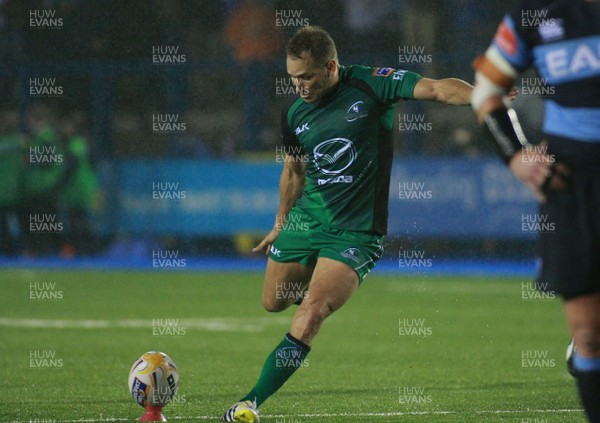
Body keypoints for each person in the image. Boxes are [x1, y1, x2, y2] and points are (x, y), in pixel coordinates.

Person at [221, 25, 476, 422]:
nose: (299, 86)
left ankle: (248, 404)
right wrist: (280, 223)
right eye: (292, 78)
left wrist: (483, 97)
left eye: (306, 76)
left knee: (310, 313)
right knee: (273, 302)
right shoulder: (293, 112)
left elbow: (438, 88)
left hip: (356, 232)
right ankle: (318, 270)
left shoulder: (373, 85)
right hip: (307, 220)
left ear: (332, 66)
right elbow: (293, 171)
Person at [471, 1, 600, 421]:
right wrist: (515, 156)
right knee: (588, 334)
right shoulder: (533, 16)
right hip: (573, 189)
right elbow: (486, 92)